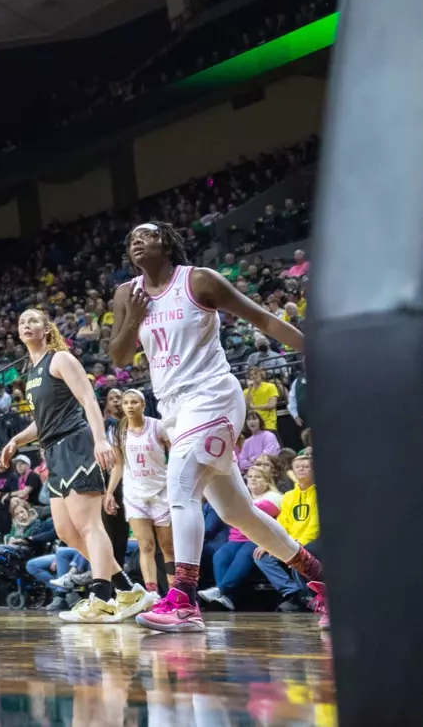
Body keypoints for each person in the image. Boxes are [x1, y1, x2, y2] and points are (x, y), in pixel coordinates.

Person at [110, 222, 324, 633]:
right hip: (174, 408)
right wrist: (132, 317)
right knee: (237, 513)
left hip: (212, 395)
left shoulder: (198, 280)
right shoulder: (127, 294)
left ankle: (184, 599)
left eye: (148, 235)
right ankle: (322, 580)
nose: (137, 240)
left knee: (181, 485)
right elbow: (118, 357)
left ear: (167, 242)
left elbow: (262, 318)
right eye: (131, 237)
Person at [0, 310, 148, 624]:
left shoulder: (60, 359)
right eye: (21, 321)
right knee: (67, 532)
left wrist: (100, 440)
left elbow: (88, 400)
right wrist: (16, 439)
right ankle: (128, 591)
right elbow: (41, 423)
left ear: (46, 328)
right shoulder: (33, 372)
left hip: (76, 444)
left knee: (89, 526)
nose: (26, 325)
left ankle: (102, 598)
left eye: (33, 321)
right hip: (52, 452)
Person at [107, 389, 173, 597]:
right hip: (135, 492)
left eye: (134, 402)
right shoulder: (118, 431)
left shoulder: (158, 426)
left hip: (162, 490)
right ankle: (152, 594)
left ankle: (175, 593)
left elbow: (176, 454)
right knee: (145, 545)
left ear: (143, 405)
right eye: (126, 402)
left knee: (167, 547)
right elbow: (118, 465)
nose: (129, 406)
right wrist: (109, 493)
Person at [199, 463, 283, 611]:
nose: (253, 480)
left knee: (243, 555)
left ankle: (221, 590)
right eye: (250, 477)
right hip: (237, 537)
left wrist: (237, 507)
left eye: (258, 477)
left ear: (267, 480)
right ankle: (226, 598)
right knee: (220, 555)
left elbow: (258, 512)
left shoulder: (274, 496)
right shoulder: (243, 495)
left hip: (258, 538)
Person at [255, 447, 322, 613]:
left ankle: (311, 597)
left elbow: (315, 524)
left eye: (306, 467)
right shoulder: (289, 496)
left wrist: (298, 544)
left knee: (298, 556)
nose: (301, 469)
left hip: (309, 541)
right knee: (261, 556)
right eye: (297, 467)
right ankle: (295, 594)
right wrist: (271, 543)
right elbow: (282, 522)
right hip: (291, 540)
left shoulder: (319, 494)